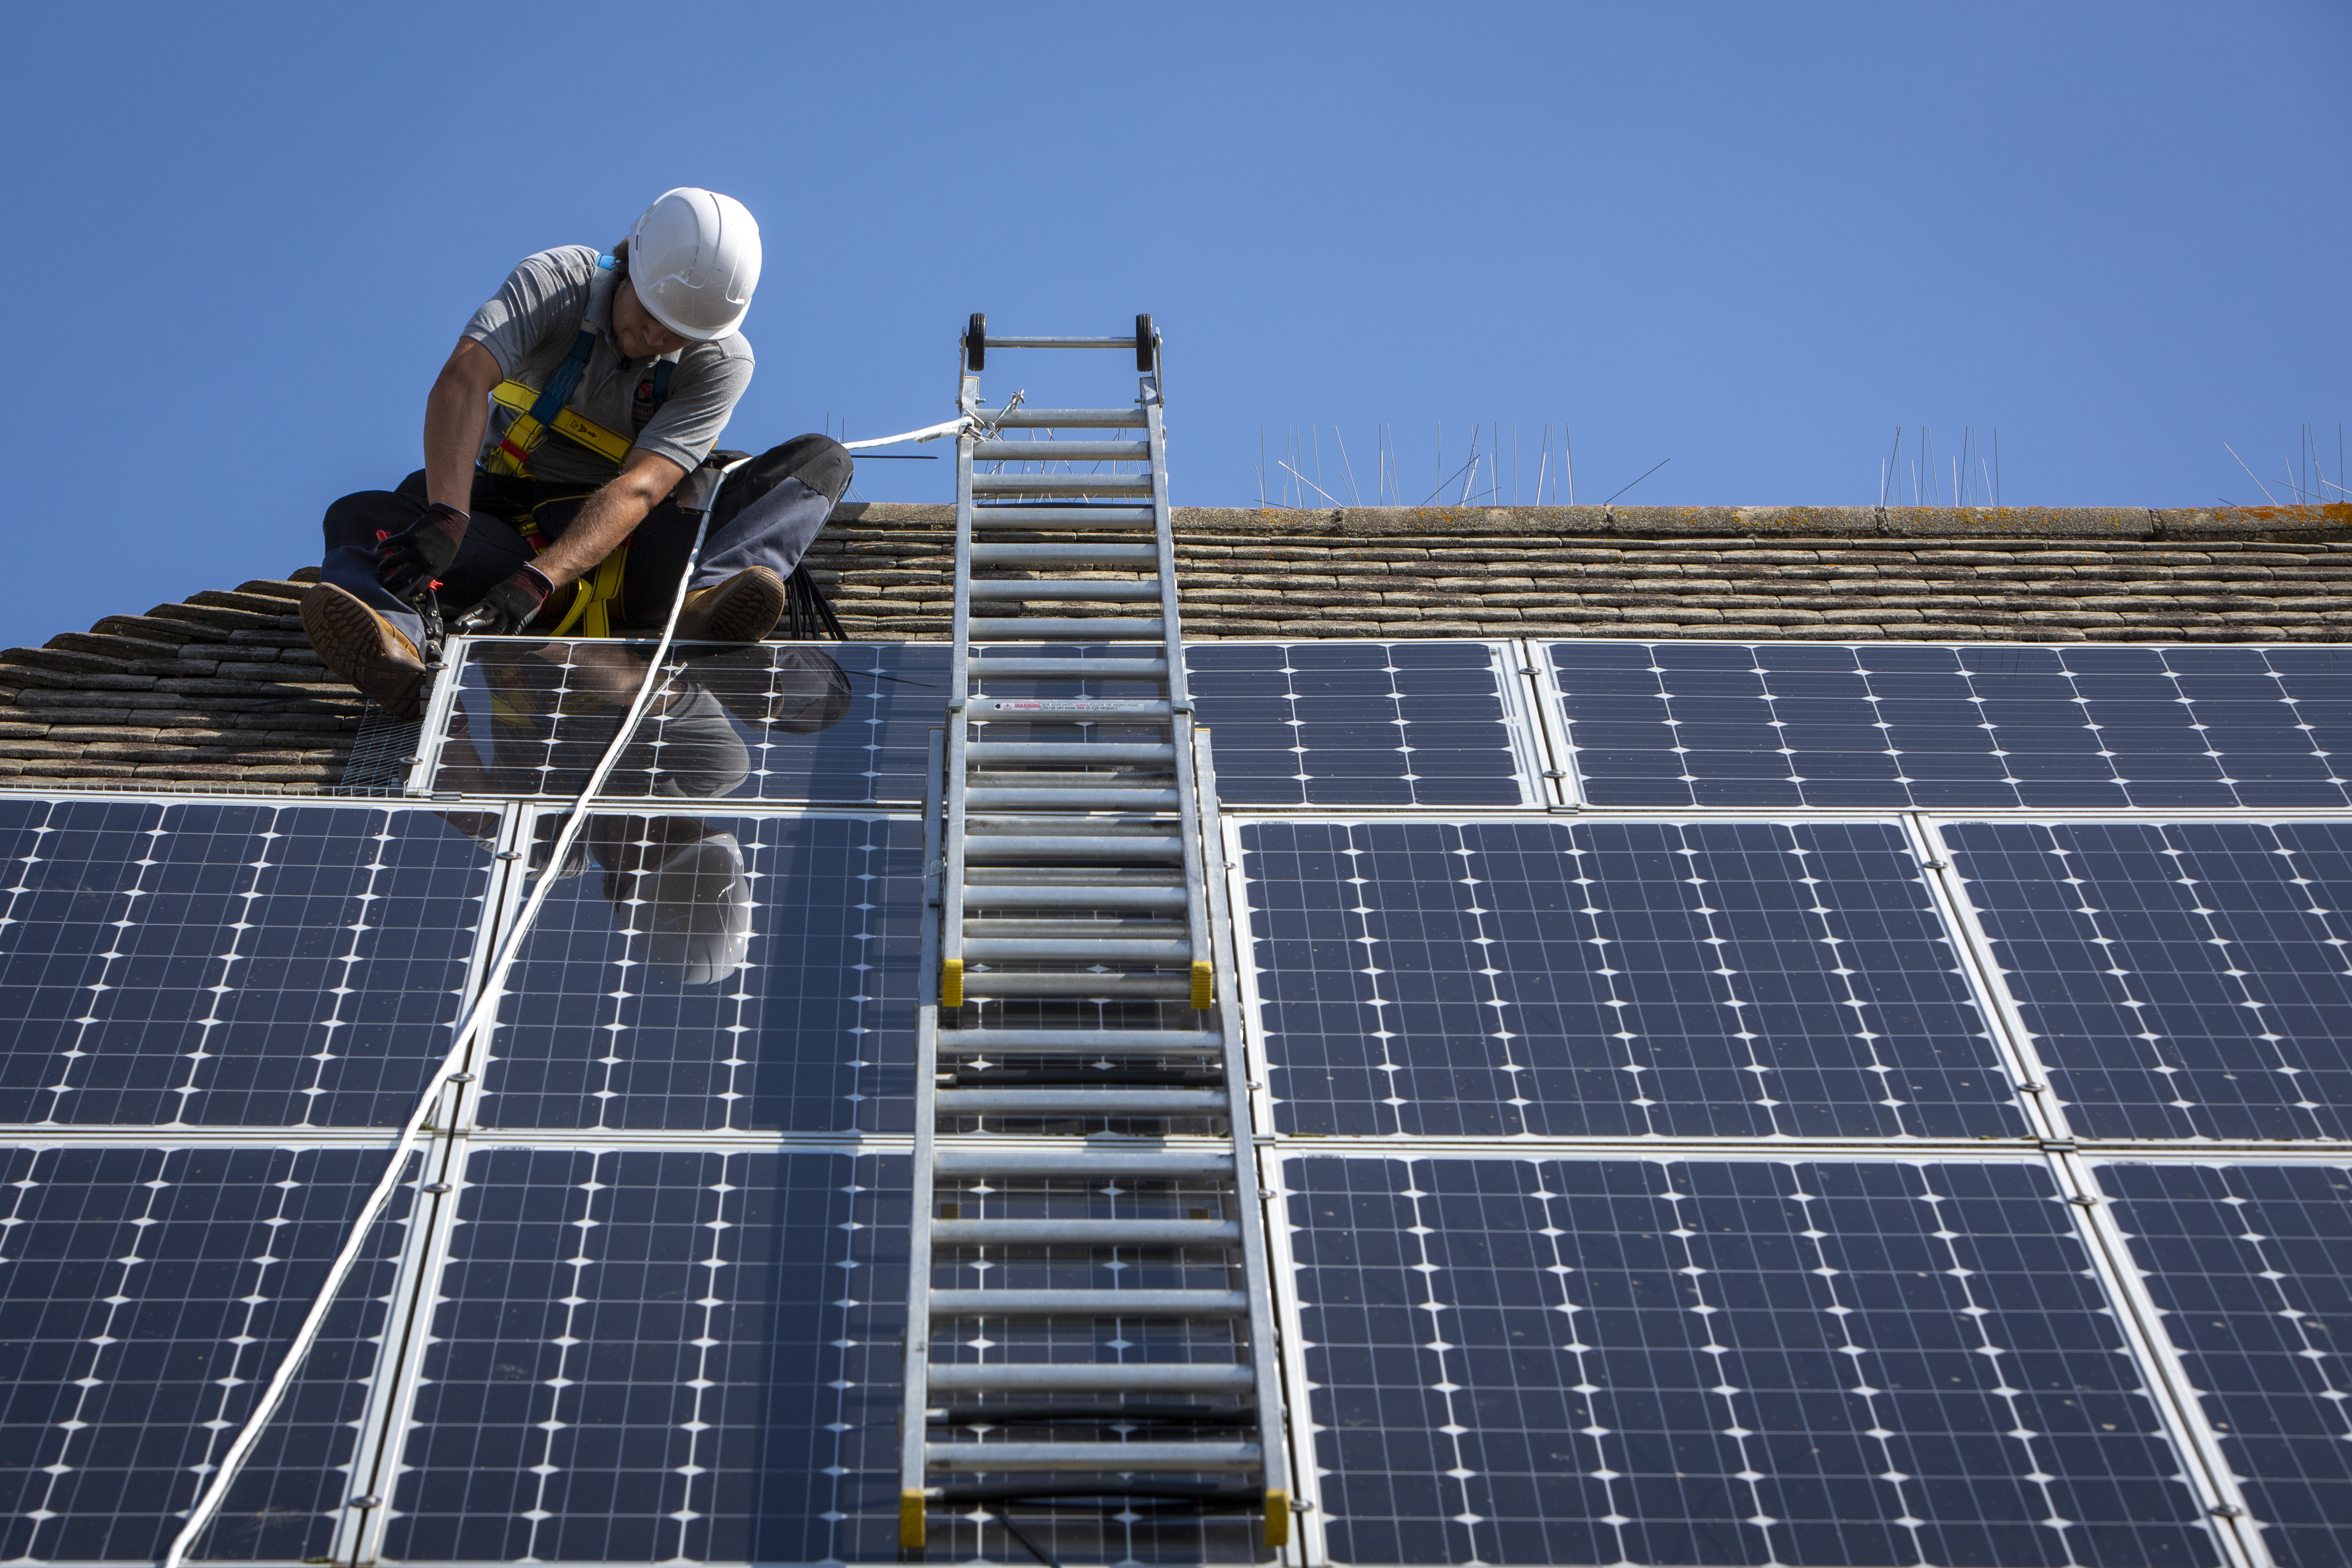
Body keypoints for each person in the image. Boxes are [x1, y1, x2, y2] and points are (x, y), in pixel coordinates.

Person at [301, 187, 854, 716]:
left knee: (821, 460)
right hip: (511, 539)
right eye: (653, 314)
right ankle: (399, 650)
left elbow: (641, 486)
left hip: (642, 554)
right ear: (631, 263)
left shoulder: (721, 360)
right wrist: (448, 517)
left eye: (681, 331)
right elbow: (464, 379)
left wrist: (539, 580)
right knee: (366, 515)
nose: (661, 338)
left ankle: (706, 604)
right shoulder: (558, 283)